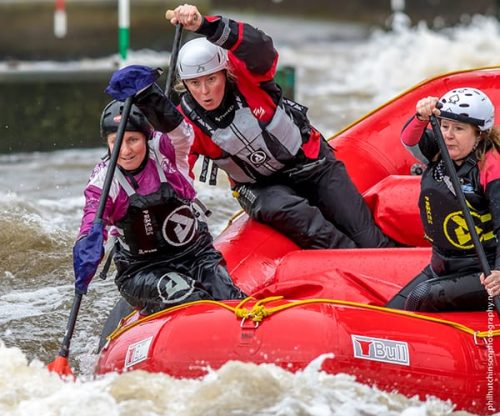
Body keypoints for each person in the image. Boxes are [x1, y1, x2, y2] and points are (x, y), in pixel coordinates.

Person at [106, 4, 394, 250]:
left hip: (313, 167)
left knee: (367, 236)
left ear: (224, 72)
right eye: (195, 83)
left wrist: (204, 25)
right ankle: (345, 259)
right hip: (261, 189)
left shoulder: (249, 78)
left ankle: (383, 261)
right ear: (185, 84)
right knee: (292, 212)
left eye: (211, 80)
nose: (205, 92)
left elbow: (261, 46)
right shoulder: (185, 122)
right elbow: (178, 172)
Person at [73, 98, 246, 317]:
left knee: (232, 299)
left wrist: (149, 95)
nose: (125, 151)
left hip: (196, 255)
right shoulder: (105, 182)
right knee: (193, 300)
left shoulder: (167, 152)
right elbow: (91, 217)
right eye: (116, 142)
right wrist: (88, 241)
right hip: (142, 270)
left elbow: (181, 132)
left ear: (147, 137)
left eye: (133, 140)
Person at [387, 87, 500, 311]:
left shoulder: (492, 167)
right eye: (445, 125)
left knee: (421, 297)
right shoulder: (439, 148)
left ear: (479, 134)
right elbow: (409, 140)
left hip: (483, 272)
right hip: (442, 265)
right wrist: (421, 117)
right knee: (392, 311)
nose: (448, 134)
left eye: (458, 128)